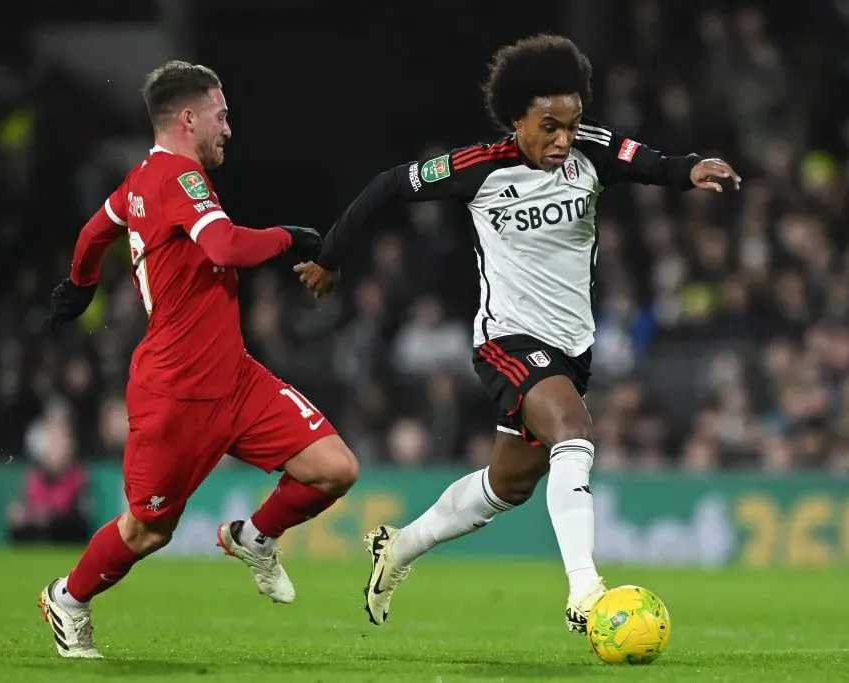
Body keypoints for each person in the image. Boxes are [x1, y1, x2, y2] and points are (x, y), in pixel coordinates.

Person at [295, 35, 740, 634]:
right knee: (574, 430)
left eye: (573, 124)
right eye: (549, 126)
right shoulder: (479, 168)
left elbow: (655, 165)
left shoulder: (592, 151)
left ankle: (397, 549)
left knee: (507, 484)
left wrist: (695, 170)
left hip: (572, 346)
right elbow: (388, 186)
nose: (564, 140)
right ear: (516, 120)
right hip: (507, 340)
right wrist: (331, 254)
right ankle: (586, 591)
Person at [38, 60, 359, 659]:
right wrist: (294, 236)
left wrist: (80, 284)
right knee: (147, 529)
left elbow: (94, 231)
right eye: (222, 115)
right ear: (188, 118)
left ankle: (254, 537)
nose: (228, 129)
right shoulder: (179, 180)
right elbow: (225, 245)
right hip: (176, 392)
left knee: (335, 468)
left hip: (234, 378)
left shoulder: (137, 180)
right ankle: (68, 596)